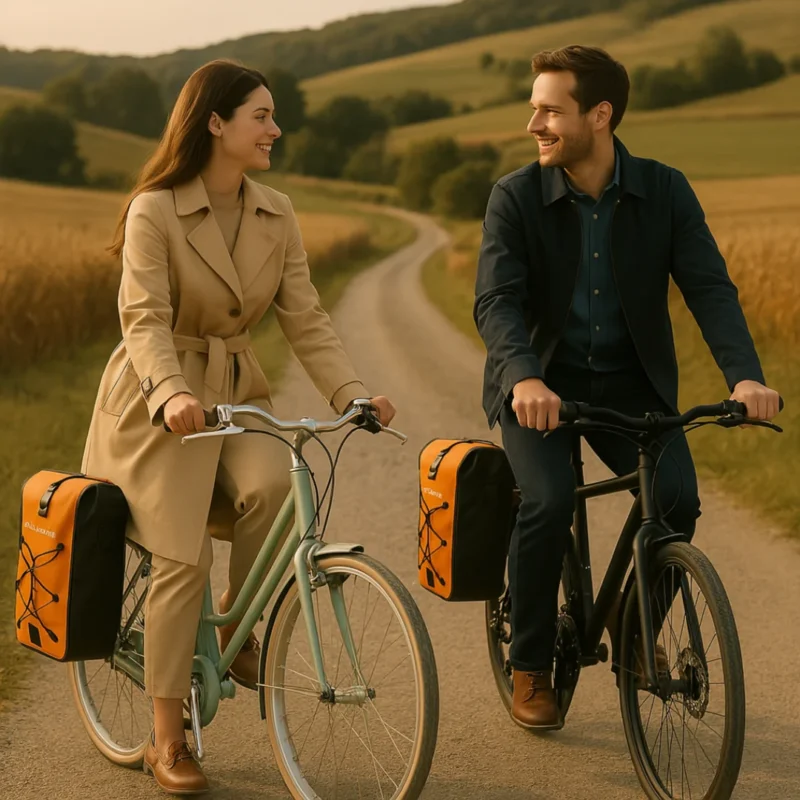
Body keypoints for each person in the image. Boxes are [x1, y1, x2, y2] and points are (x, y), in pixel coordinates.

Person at [82, 58, 395, 794]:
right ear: (215, 122)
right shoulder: (154, 209)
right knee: (180, 558)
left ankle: (233, 626)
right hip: (155, 403)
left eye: (273, 116)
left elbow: (305, 316)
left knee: (279, 486)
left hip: (231, 395)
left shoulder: (275, 211)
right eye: (262, 116)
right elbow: (143, 319)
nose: (275, 129)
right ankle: (167, 737)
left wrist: (353, 393)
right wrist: (169, 392)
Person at [473, 45, 780, 731]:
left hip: (630, 385)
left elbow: (709, 288)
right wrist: (524, 376)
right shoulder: (515, 197)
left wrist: (745, 375)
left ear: (600, 115)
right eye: (534, 109)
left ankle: (634, 630)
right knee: (548, 501)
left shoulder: (664, 190)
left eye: (551, 111)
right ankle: (530, 663)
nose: (534, 124)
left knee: (675, 499)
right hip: (539, 388)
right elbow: (496, 300)